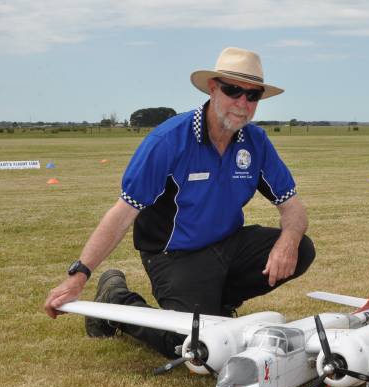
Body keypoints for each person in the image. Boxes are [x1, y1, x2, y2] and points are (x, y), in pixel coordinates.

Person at [44, 47, 315, 358]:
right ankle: (115, 300)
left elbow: (293, 208)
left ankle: (217, 306)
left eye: (252, 95)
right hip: (173, 255)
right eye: (233, 90)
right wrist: (79, 275)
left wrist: (288, 241)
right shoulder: (169, 141)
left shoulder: (255, 142)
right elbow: (123, 213)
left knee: (302, 249)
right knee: (186, 344)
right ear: (213, 88)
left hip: (226, 244)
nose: (242, 103)